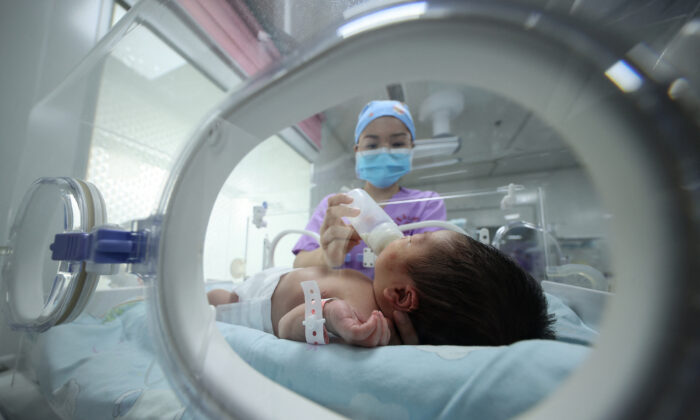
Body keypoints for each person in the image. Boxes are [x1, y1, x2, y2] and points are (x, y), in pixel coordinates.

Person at [208, 230, 555, 347]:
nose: (402, 235)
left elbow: (285, 328)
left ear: (402, 295)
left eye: (415, 239)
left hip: (253, 305)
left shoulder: (359, 318)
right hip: (272, 278)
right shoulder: (372, 293)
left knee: (213, 298)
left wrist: (326, 316)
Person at [292, 100, 447, 279]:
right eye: (372, 145)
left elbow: (436, 269)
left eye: (397, 144)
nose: (384, 152)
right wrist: (326, 256)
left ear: (411, 148)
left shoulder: (426, 204)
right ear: (357, 151)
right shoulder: (336, 206)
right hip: (341, 304)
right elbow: (298, 263)